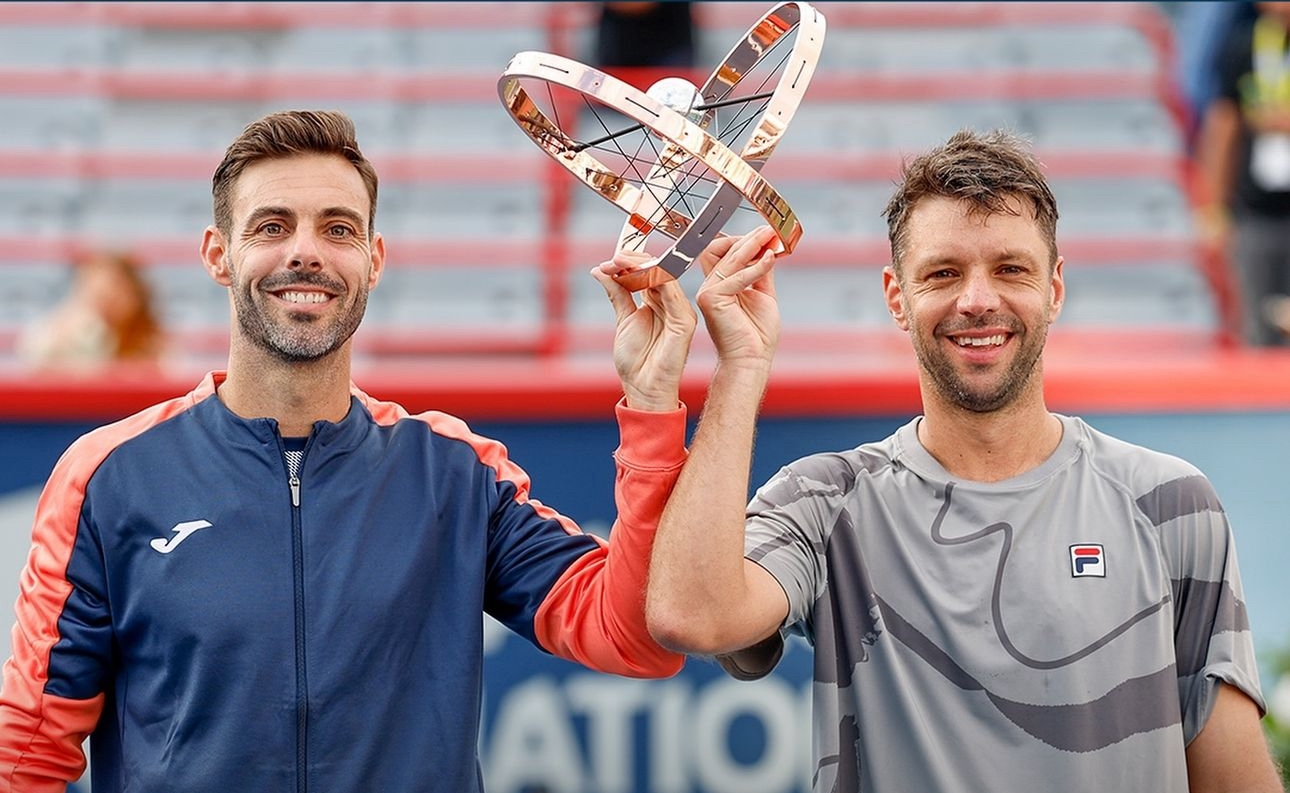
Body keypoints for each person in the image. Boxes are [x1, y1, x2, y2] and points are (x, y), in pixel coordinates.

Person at [0, 109, 700, 792]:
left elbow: (635, 636)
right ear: (218, 255)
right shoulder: (109, 477)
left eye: (337, 228)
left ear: (374, 259)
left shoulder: (454, 474)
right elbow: (27, 754)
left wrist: (650, 404)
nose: (305, 251)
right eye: (272, 226)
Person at [643, 130, 1283, 792]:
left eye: (1010, 269)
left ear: (1055, 289)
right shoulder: (825, 500)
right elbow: (691, 616)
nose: (978, 300)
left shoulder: (1170, 502)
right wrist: (741, 365)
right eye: (943, 273)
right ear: (897, 296)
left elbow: (1233, 779)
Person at [1196, 1, 1290, 345]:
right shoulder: (1244, 44)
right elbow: (1223, 125)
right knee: (1256, 326)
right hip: (1254, 210)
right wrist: (1213, 207)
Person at [18, 249, 165, 370]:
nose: (109, 301)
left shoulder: (153, 340)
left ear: (135, 295)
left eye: (117, 291)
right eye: (100, 292)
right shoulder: (60, 331)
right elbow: (36, 365)